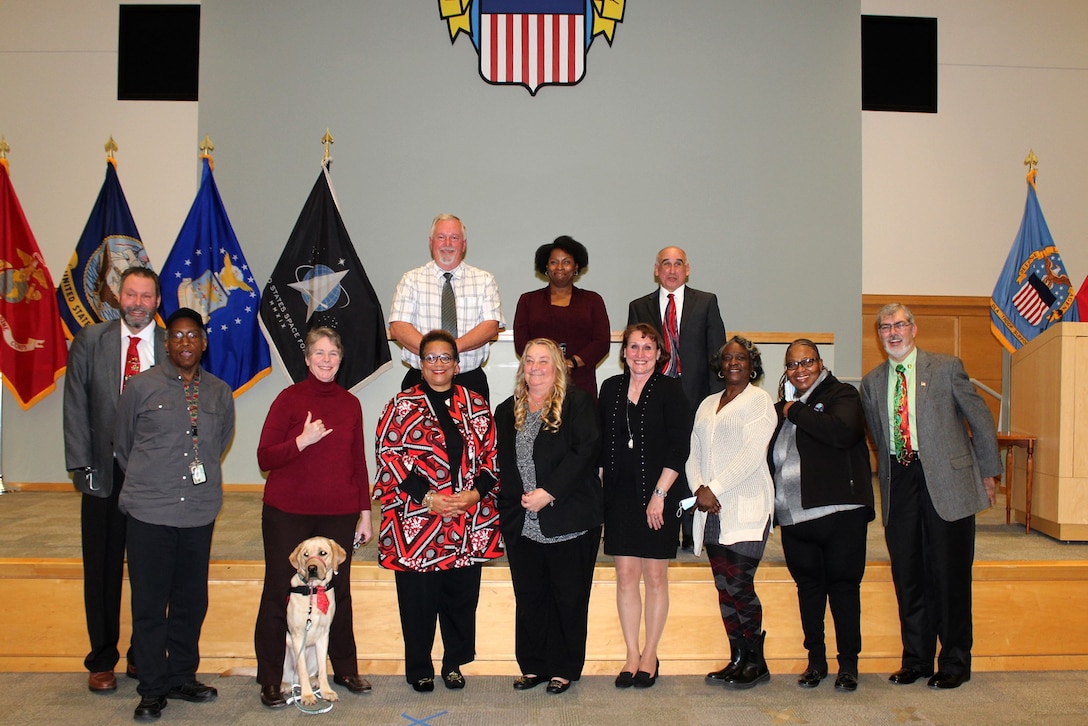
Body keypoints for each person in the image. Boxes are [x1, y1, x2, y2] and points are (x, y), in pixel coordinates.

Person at [860, 303, 1001, 690]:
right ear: (878, 335)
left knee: (949, 575)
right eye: (885, 327)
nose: (893, 332)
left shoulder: (945, 367)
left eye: (900, 325)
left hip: (947, 483)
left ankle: (955, 660)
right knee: (908, 575)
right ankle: (917, 659)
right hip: (899, 483)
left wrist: (989, 471)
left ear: (914, 329)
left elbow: (981, 419)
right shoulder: (872, 382)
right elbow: (876, 435)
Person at [114, 307, 235, 721]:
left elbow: (218, 442)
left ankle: (182, 675)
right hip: (150, 511)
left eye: (193, 336)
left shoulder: (219, 391)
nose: (185, 343)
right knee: (150, 603)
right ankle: (151, 687)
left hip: (198, 512)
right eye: (178, 336)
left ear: (204, 343)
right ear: (167, 344)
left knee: (190, 601)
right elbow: (124, 444)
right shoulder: (140, 387)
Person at [374, 330, 503, 693]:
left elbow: (493, 457)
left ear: (457, 364)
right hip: (417, 522)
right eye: (431, 358)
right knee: (418, 599)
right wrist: (429, 498)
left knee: (460, 598)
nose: (438, 364)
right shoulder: (401, 405)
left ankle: (452, 663)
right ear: (419, 363)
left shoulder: (476, 404)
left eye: (446, 357)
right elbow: (389, 455)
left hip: (467, 520)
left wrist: (474, 495)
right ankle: (419, 666)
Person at [253, 327, 373, 708]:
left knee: (339, 592)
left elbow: (358, 462)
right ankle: (271, 677)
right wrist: (301, 441)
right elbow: (264, 457)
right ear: (306, 359)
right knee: (279, 591)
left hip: (339, 512)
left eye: (332, 354)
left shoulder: (350, 403)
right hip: (287, 512)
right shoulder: (289, 399)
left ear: (341, 359)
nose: (325, 360)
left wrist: (365, 513)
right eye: (318, 353)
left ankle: (345, 668)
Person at [63, 266, 165, 693]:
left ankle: (143, 655)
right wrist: (82, 466)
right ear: (118, 298)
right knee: (101, 570)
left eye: (146, 296)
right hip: (104, 474)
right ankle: (102, 658)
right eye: (131, 294)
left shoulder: (173, 342)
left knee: (151, 571)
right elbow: (75, 408)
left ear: (157, 302)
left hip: (154, 478)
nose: (137, 303)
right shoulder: (91, 341)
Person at [495, 338, 603, 695]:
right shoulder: (506, 410)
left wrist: (549, 492)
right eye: (530, 361)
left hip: (568, 518)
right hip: (522, 523)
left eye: (544, 361)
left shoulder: (578, 403)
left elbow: (585, 452)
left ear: (557, 365)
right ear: (522, 366)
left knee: (568, 598)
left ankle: (563, 668)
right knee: (530, 598)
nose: (536, 367)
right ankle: (534, 666)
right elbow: (502, 464)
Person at [768, 339, 874, 692]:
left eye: (807, 362)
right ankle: (816, 661)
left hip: (839, 513)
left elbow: (843, 432)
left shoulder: (841, 394)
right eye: (793, 365)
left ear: (820, 363)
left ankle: (849, 665)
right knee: (809, 591)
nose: (800, 370)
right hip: (795, 517)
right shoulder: (784, 406)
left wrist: (792, 411)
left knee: (843, 589)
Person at [598, 323, 690, 689]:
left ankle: (651, 653)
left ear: (659, 354)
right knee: (624, 577)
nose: (640, 354)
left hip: (658, 496)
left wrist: (660, 494)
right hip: (619, 497)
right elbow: (604, 444)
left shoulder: (671, 390)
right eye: (634, 347)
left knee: (654, 577)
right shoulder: (610, 388)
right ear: (624, 352)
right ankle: (631, 653)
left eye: (647, 348)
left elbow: (678, 447)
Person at [688, 336, 776, 690]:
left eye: (741, 357)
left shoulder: (760, 401)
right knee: (724, 587)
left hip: (746, 506)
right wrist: (698, 488)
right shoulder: (708, 403)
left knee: (740, 584)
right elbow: (692, 449)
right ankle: (737, 657)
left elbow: (753, 453)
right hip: (710, 510)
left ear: (752, 364)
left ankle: (757, 661)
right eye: (727, 358)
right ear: (719, 365)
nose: (734, 362)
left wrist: (714, 489)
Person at [628, 246, 725, 549]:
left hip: (696, 394)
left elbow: (716, 354)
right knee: (663, 455)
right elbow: (635, 353)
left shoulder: (706, 302)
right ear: (656, 270)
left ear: (687, 269)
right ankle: (661, 522)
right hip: (656, 394)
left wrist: (716, 400)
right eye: (665, 264)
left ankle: (690, 527)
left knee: (693, 456)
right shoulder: (639, 306)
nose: (672, 270)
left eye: (678, 264)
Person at [389, 213, 504, 401]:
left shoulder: (484, 280)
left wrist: (450, 351)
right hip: (420, 380)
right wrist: (434, 358)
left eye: (454, 237)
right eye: (441, 237)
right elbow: (398, 327)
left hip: (469, 381)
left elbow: (490, 326)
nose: (447, 243)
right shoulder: (410, 280)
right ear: (431, 242)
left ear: (464, 244)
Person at [513, 236, 610, 399]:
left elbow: (601, 342)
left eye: (566, 262)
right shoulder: (528, 300)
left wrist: (571, 362)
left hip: (581, 381)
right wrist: (547, 365)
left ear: (576, 266)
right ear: (546, 266)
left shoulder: (592, 300)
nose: (559, 267)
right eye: (553, 262)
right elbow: (522, 343)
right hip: (539, 381)